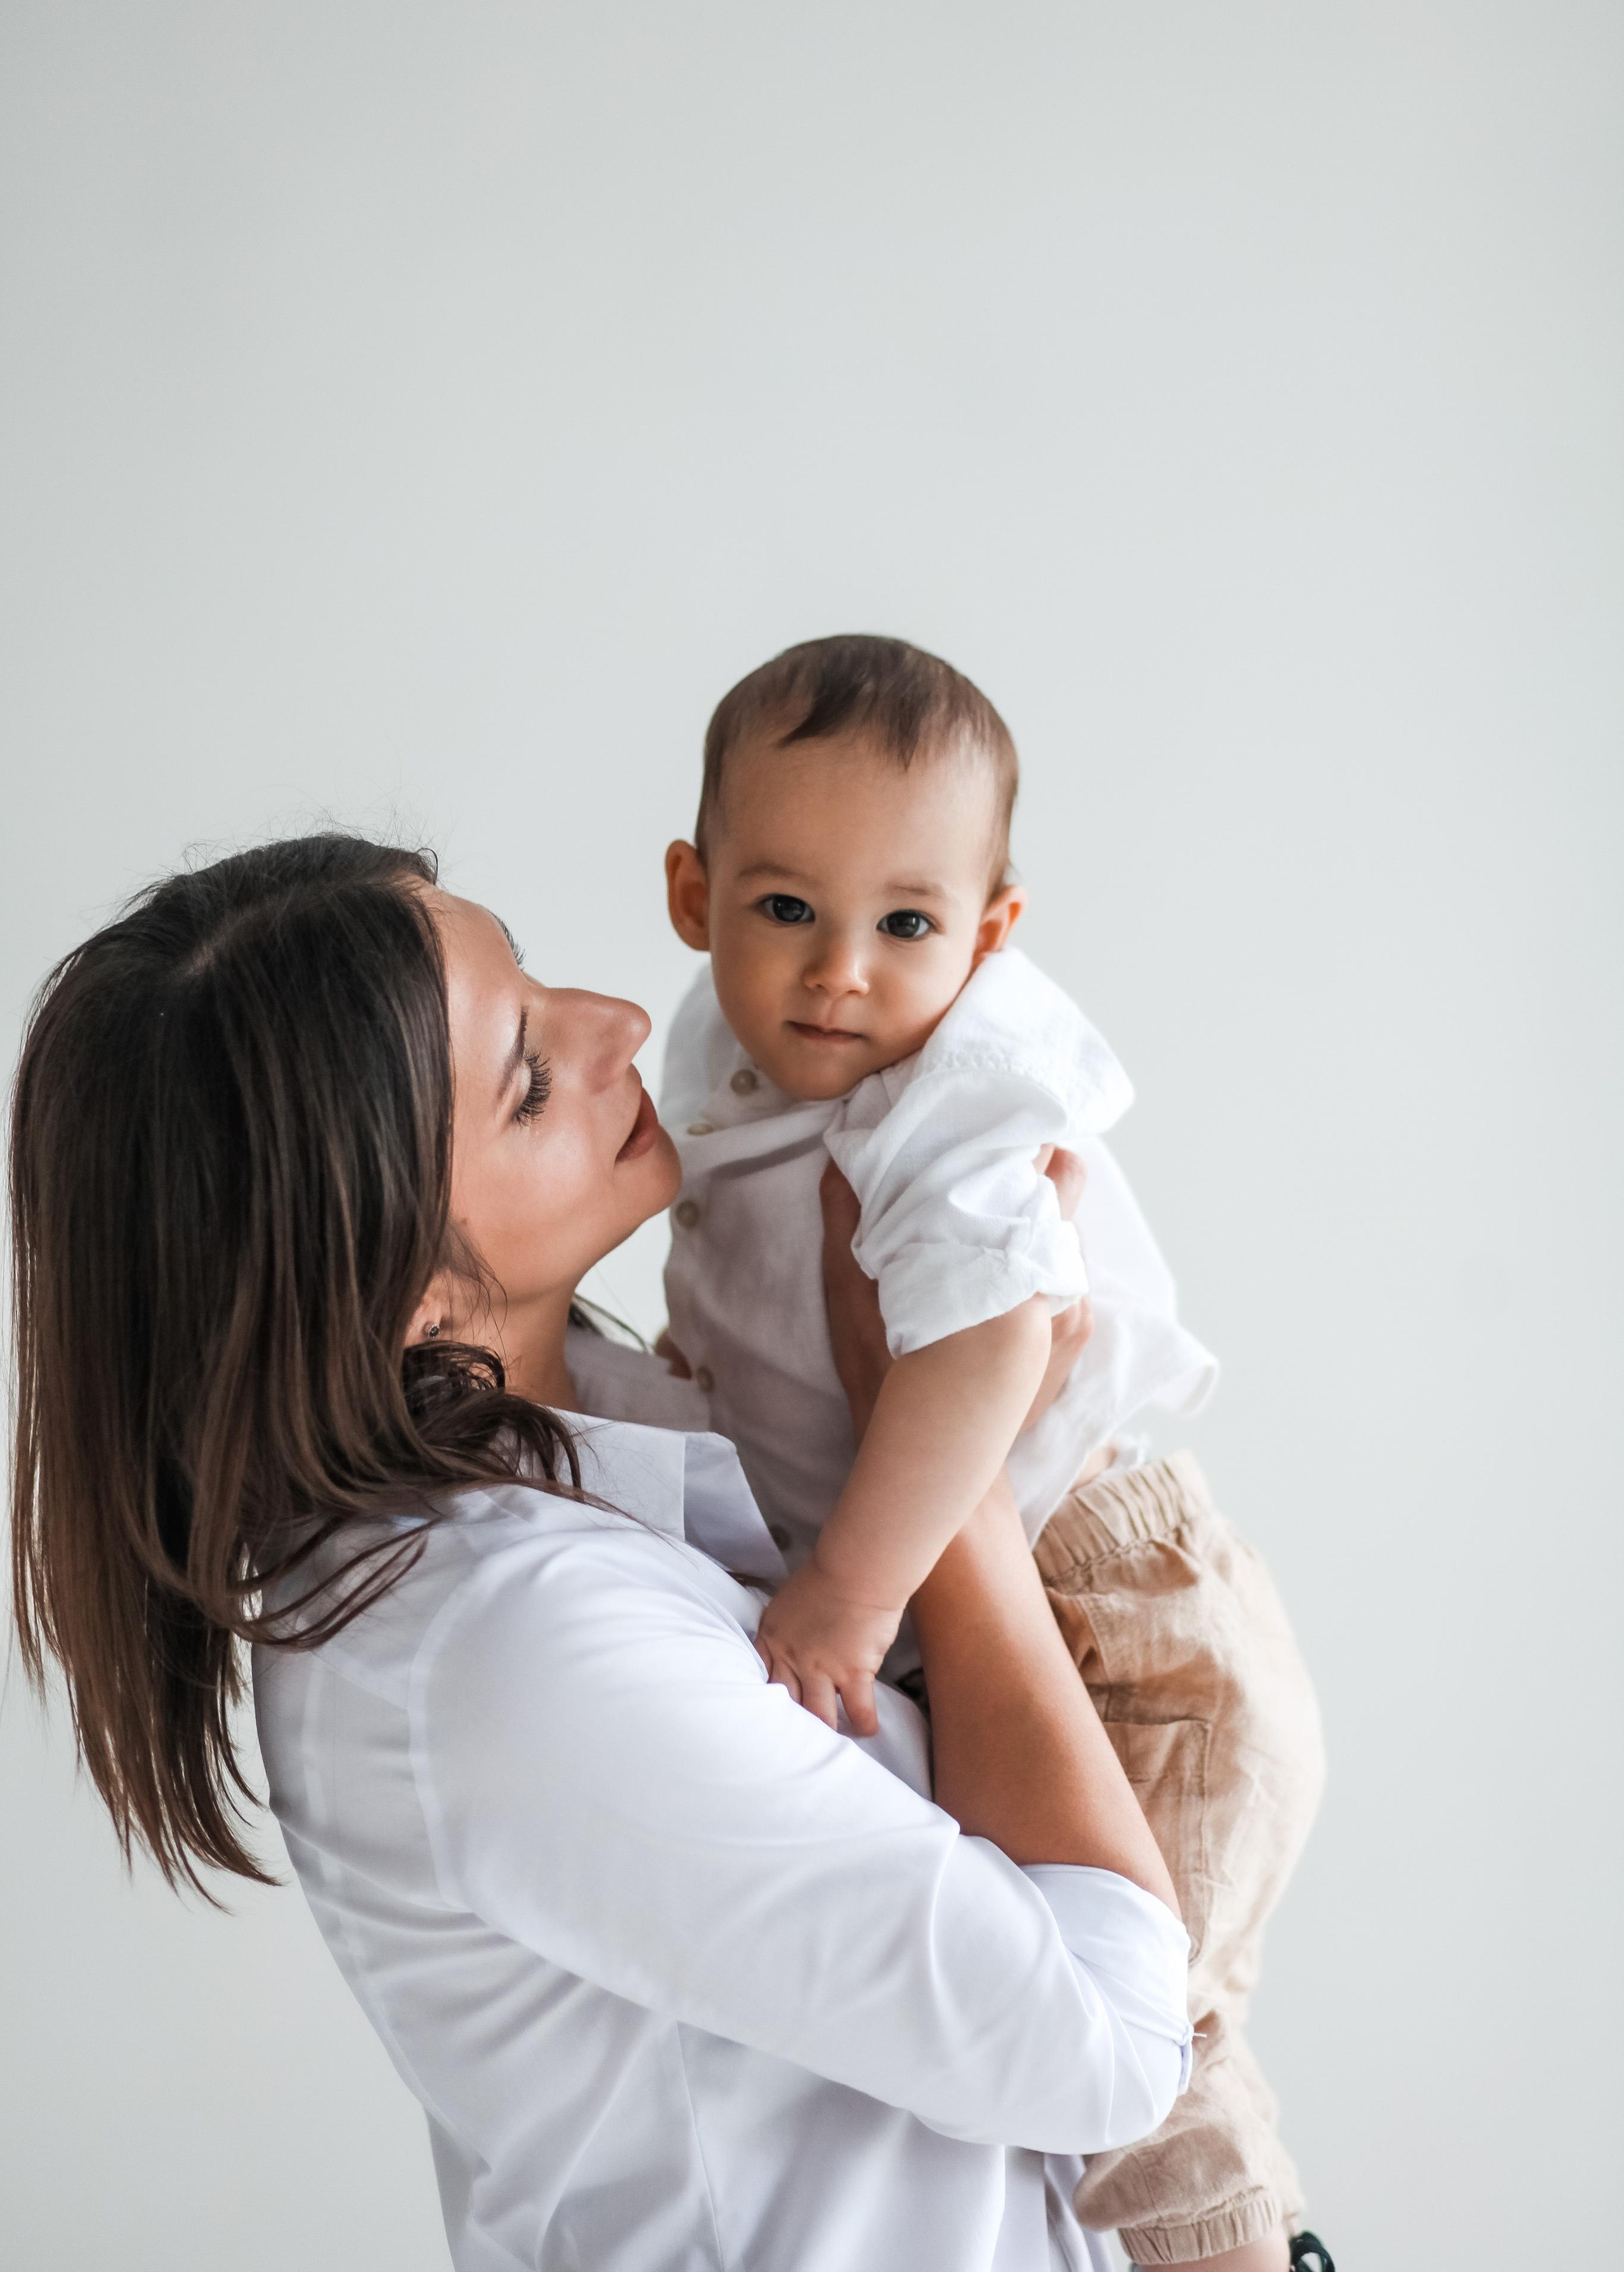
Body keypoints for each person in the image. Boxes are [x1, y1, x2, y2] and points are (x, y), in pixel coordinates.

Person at [10, 831, 1195, 2272]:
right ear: (402, 1293)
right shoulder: (516, 1656)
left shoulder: (607, 1443)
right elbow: (1110, 2051)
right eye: (525, 1078)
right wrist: (940, 1467)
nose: (623, 1023)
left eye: (539, 982)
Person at [660, 637, 1328, 2271]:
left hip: (1118, 1610)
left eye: (906, 924)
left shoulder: (950, 1106)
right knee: (1041, 2082)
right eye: (784, 911)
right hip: (1027, 1601)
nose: (841, 973)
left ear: (990, 931)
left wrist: (845, 1583)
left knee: (1146, 2064)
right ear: (692, 894)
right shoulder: (723, 1054)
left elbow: (985, 1345)